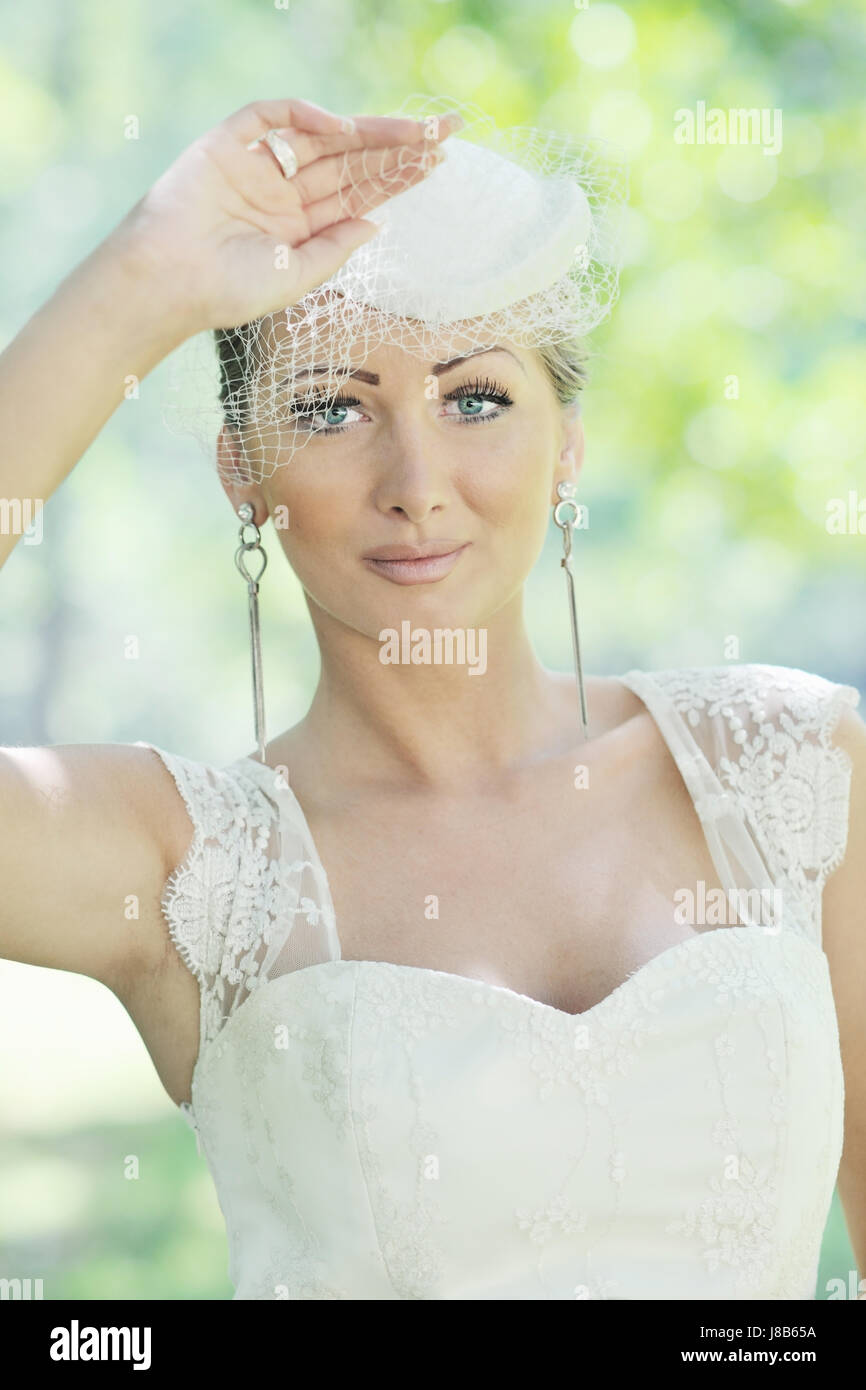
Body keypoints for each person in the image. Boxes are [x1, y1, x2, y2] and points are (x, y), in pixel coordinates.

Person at [1, 95, 864, 1302]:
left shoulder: (791, 761)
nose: (418, 484)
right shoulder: (189, 862)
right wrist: (146, 273)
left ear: (566, 441)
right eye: (331, 408)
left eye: (476, 399)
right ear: (240, 469)